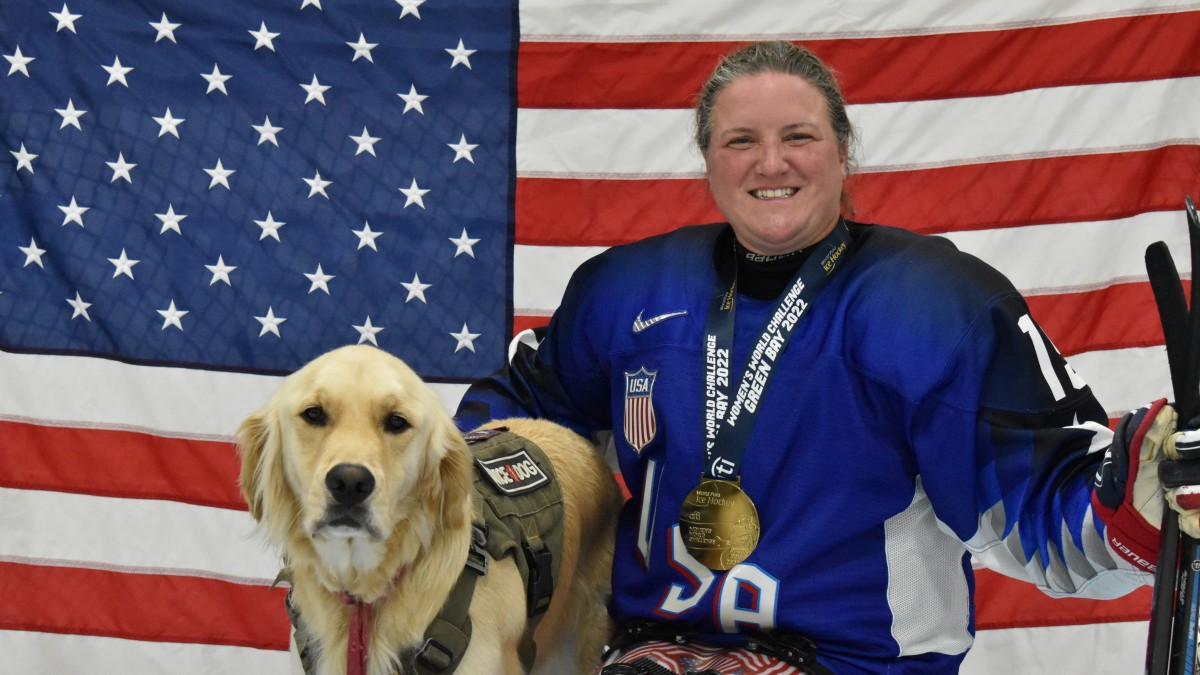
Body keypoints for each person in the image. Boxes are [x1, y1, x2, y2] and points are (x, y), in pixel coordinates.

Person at [454, 40, 1200, 673]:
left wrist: (1136, 493)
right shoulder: (626, 289)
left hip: (853, 662)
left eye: (799, 137)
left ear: (844, 151)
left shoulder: (935, 303)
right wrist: (447, 481)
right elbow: (520, 419)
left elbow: (1041, 498)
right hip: (654, 654)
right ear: (707, 159)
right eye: (740, 140)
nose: (770, 162)